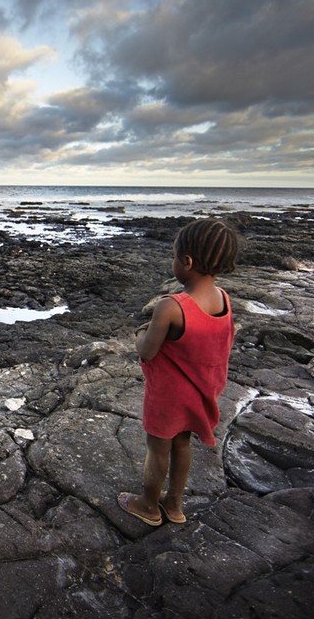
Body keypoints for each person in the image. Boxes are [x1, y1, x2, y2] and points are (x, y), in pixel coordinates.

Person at [118, 218, 239, 526]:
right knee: (182, 444)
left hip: (168, 396)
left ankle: (147, 505)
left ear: (186, 262)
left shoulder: (171, 306)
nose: (172, 262)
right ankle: (174, 505)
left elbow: (147, 349)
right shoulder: (223, 299)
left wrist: (139, 334)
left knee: (158, 450)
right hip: (201, 393)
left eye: (174, 256)